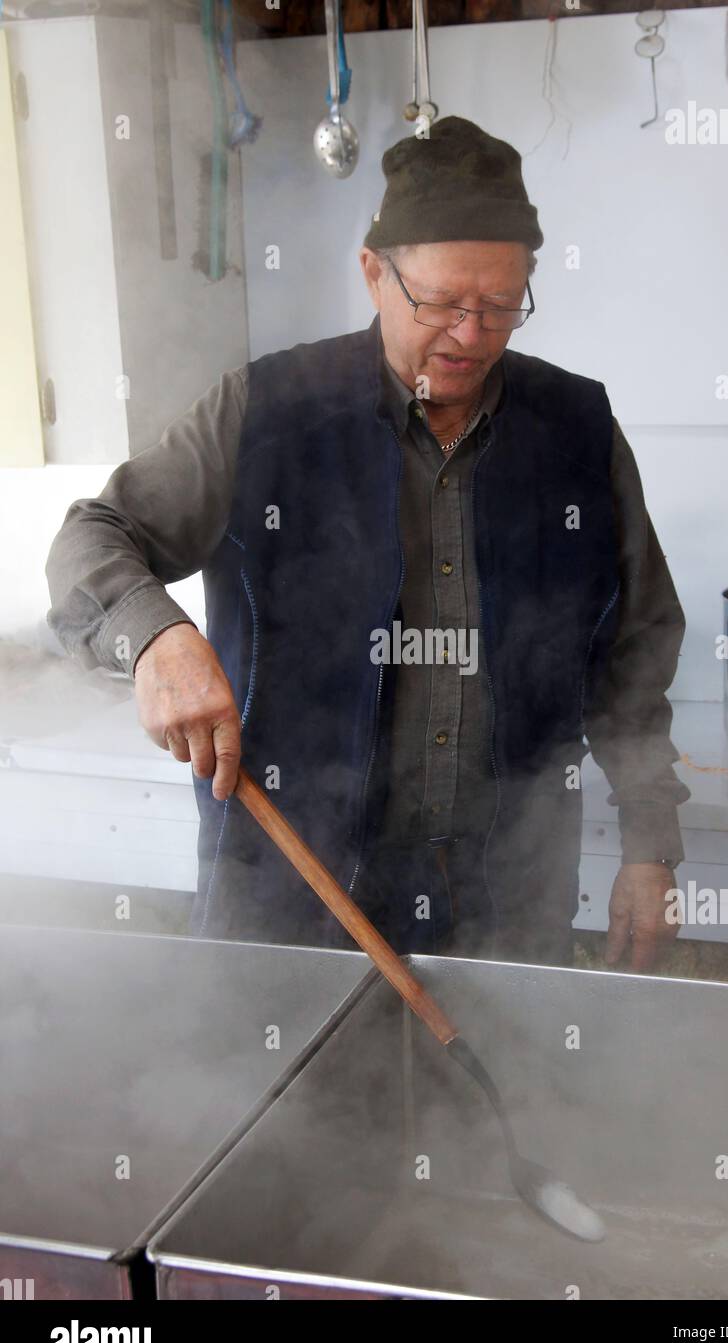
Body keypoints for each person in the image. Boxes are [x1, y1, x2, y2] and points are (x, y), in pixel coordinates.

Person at [46, 116, 690, 969]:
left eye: (500, 307)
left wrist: (652, 843)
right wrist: (155, 639)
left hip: (505, 907)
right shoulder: (264, 413)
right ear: (373, 275)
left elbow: (633, 649)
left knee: (505, 1101)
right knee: (286, 1104)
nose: (471, 335)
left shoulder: (578, 430)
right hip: (292, 905)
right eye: (441, 303)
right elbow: (93, 536)